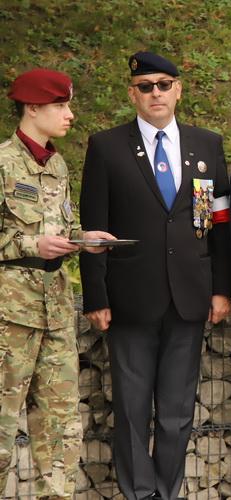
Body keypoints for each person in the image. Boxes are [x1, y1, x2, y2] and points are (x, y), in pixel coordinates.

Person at [79, 52, 231, 500]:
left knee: (177, 411)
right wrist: (95, 295)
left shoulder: (207, 145)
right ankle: (138, 493)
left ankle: (167, 491)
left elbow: (220, 225)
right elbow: (93, 229)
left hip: (189, 296)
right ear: (133, 94)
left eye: (164, 84)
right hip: (130, 297)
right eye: (145, 86)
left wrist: (222, 288)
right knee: (131, 409)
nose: (156, 93)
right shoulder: (106, 147)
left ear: (178, 90)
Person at [0, 68, 113, 499]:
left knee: (62, 430)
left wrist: (83, 239)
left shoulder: (58, 164)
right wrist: (33, 244)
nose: (70, 115)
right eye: (60, 106)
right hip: (11, 315)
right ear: (32, 108)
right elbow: (29, 237)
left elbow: (56, 228)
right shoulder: (3, 163)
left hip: (56, 309)